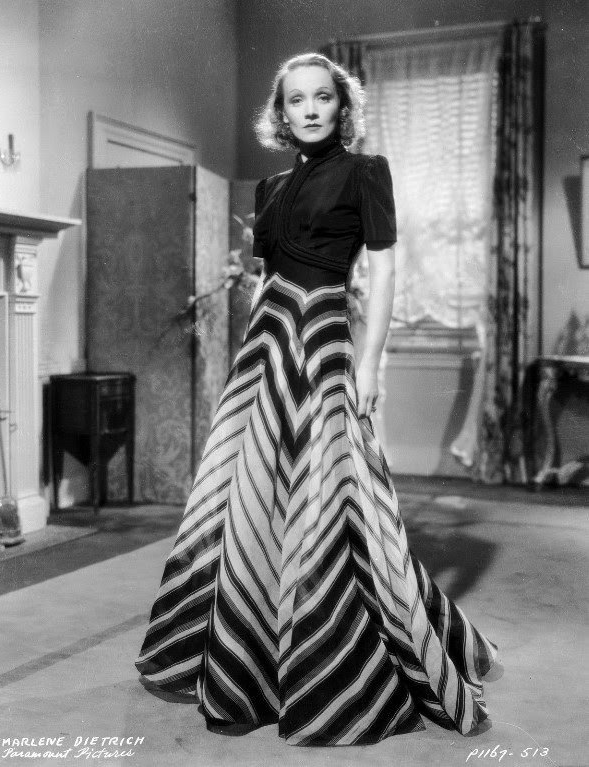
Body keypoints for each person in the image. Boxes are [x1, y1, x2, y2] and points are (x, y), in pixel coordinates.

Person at [135, 52, 499, 747]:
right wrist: (251, 359)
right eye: (296, 99)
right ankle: (249, 661)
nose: (309, 109)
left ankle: (331, 657)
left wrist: (370, 362)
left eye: (322, 97)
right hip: (267, 348)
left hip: (326, 338)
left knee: (333, 497)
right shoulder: (269, 187)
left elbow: (384, 273)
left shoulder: (367, 172)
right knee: (247, 497)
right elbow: (264, 280)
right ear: (281, 111)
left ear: (342, 105)